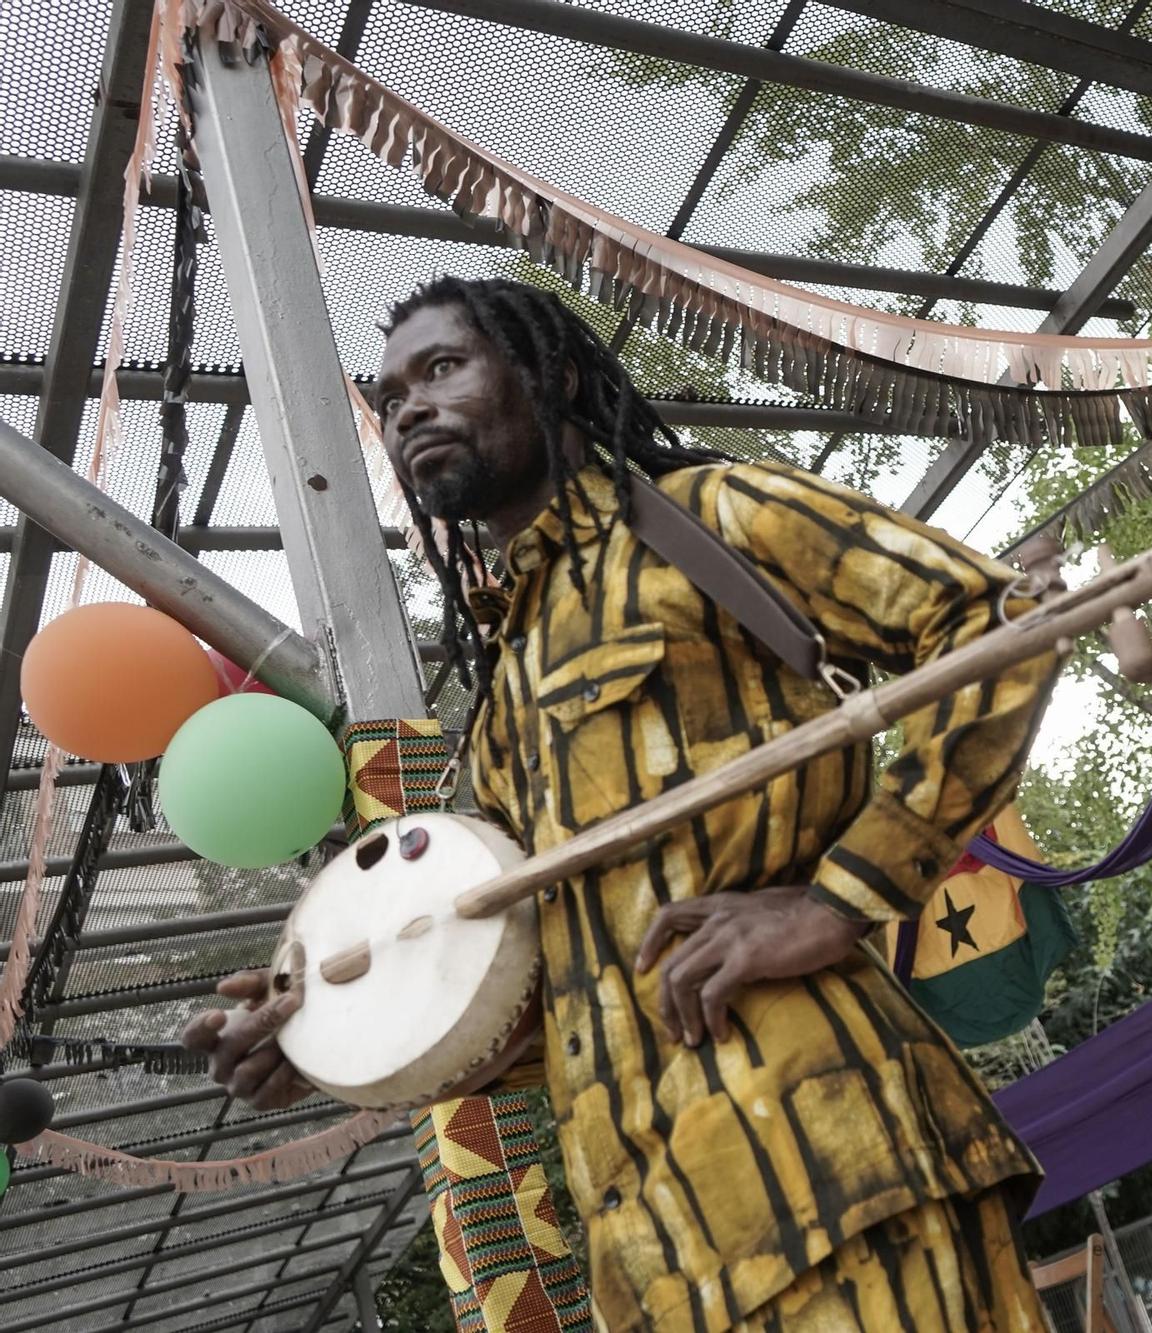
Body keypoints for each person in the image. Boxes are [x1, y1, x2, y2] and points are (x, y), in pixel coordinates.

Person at [184, 277, 1060, 1331]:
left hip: (837, 1179)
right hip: (657, 1271)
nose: (407, 406)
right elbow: (545, 1003)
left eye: (442, 367)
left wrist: (832, 902)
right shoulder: (500, 704)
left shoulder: (712, 519)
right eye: (389, 395)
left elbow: (992, 622)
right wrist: (326, 1041)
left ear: (550, 374)